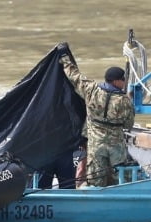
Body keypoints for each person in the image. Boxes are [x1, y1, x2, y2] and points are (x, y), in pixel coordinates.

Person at [58, 42, 135, 187]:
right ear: (116, 81)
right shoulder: (125, 101)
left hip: (96, 145)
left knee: (95, 180)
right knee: (120, 180)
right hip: (116, 148)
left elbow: (74, 76)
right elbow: (128, 124)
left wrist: (64, 57)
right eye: (123, 80)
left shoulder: (92, 90)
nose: (125, 82)